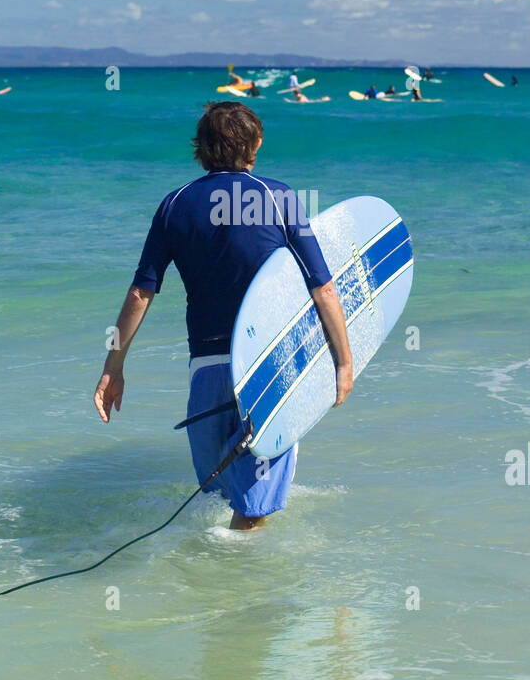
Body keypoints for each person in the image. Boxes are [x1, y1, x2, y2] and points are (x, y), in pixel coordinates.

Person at [94, 103, 353, 530]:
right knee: (251, 513)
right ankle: (239, 593)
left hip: (207, 371)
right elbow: (322, 287)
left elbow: (142, 292)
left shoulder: (174, 204)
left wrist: (113, 368)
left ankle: (208, 586)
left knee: (220, 495)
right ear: (256, 145)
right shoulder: (279, 197)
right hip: (267, 369)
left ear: (202, 148)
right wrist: (343, 362)